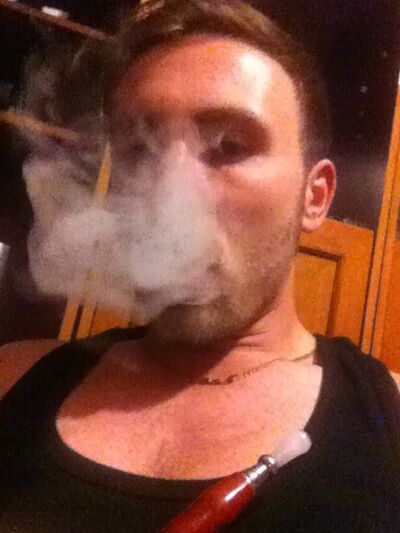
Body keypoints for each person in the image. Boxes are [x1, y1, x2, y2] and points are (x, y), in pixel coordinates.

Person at [1, 0, 400, 531]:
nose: (171, 189)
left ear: (315, 197)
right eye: (140, 149)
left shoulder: (390, 416)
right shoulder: (11, 377)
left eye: (229, 146)